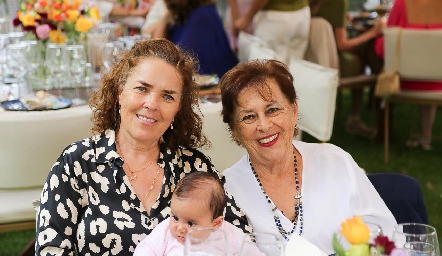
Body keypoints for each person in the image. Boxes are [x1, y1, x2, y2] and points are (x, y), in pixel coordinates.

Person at [35, 39, 250, 255]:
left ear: (178, 108)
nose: (152, 104)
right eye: (142, 88)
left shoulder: (194, 168)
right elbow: (50, 249)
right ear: (120, 92)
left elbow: (240, 237)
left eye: (167, 96)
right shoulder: (77, 163)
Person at [219, 59, 397, 255]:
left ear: (294, 111)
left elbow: (385, 235)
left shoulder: (334, 161)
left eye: (273, 110)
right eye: (249, 117)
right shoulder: (227, 191)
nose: (264, 125)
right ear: (235, 131)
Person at [134, 172, 265, 255]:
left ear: (216, 223)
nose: (180, 227)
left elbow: (252, 252)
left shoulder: (228, 234)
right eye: (175, 217)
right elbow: (146, 249)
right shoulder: (166, 231)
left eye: (191, 223)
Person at [374, 0, 442, 150]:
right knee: (432, 73)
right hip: (438, 84)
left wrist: (377, 37)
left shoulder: (400, 4)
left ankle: (383, 136)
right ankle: (426, 137)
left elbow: (385, 48)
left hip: (402, 82)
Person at [310, 0, 384, 137]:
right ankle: (357, 117)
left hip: (310, 58)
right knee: (360, 57)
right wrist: (373, 33)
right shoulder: (338, 2)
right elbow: (342, 44)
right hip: (330, 62)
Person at [142, 0, 238, 77]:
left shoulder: (202, 14)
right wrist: (166, 15)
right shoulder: (183, 13)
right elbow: (157, 44)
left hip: (213, 80)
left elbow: (181, 56)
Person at [232, 0, 310, 64]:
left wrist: (247, 19)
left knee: (264, 68)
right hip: (302, 14)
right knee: (294, 66)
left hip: (275, 17)